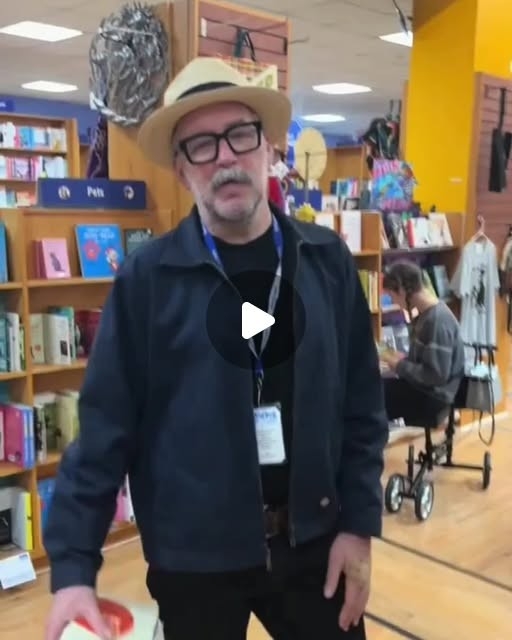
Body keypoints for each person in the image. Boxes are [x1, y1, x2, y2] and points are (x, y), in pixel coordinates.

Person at [43, 56, 388, 640]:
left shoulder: (326, 262)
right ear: (182, 169)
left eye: (240, 135)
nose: (225, 157)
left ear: (269, 148)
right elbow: (104, 430)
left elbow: (362, 405)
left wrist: (358, 527)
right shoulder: (147, 281)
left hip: (315, 546)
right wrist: (74, 568)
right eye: (201, 145)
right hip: (194, 562)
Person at [380, 260, 465, 423]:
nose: (394, 303)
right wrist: (402, 359)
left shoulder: (437, 321)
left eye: (392, 296)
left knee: (372, 397)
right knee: (375, 390)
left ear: (402, 290)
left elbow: (435, 376)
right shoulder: (427, 315)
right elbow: (427, 363)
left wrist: (399, 365)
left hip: (436, 398)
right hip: (429, 391)